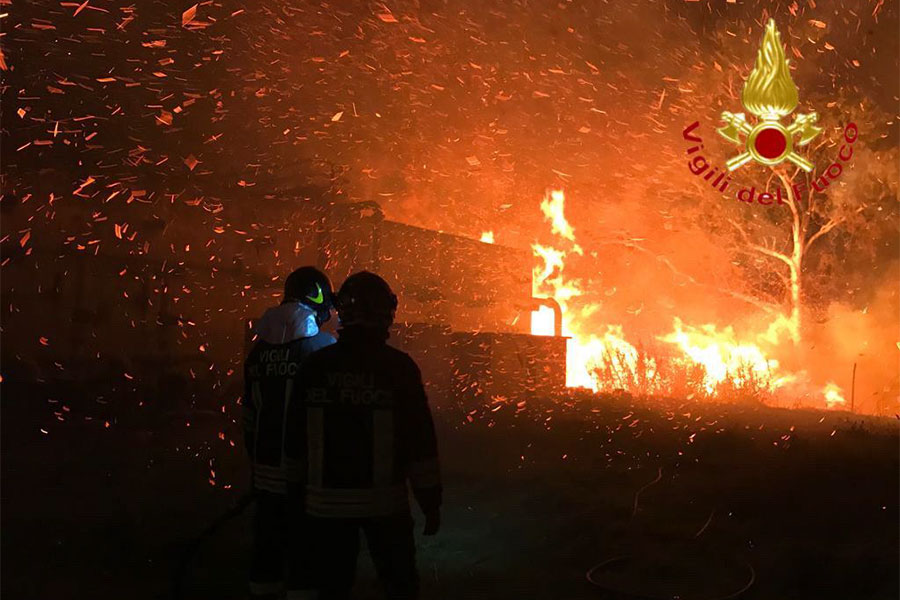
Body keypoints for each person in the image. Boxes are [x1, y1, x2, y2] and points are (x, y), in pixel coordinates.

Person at [285, 271, 442, 600]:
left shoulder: (315, 367)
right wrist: (430, 501)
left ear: (343, 312)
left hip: (324, 508)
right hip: (385, 506)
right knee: (398, 586)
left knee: (331, 588)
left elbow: (294, 439)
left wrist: (293, 499)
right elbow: (420, 442)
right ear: (386, 313)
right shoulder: (398, 368)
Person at [243, 266, 337, 599]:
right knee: (305, 557)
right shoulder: (324, 348)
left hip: (265, 472)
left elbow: (249, 414)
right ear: (318, 297)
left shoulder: (257, 350)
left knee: (266, 553)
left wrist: (255, 463)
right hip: (306, 475)